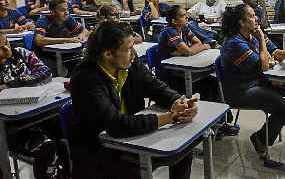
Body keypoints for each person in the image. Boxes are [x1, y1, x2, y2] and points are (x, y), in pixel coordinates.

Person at [70, 21, 198, 179]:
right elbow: (116, 125)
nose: (133, 52)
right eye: (128, 48)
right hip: (102, 150)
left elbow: (154, 86)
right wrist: (170, 117)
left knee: (182, 148)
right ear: (108, 54)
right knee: (133, 172)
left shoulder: (129, 62)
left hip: (132, 138)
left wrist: (178, 102)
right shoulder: (85, 78)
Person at [220, 4, 285, 158]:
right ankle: (260, 138)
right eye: (251, 16)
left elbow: (277, 54)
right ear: (241, 23)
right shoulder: (235, 43)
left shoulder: (255, 33)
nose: (256, 18)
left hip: (259, 82)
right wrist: (262, 41)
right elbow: (264, 65)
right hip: (241, 90)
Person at [35, 0, 89, 75]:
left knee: (82, 68)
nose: (66, 12)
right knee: (52, 72)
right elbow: (39, 40)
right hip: (48, 55)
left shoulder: (68, 19)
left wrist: (80, 37)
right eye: (62, 10)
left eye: (67, 9)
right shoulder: (43, 21)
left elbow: (84, 31)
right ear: (52, 12)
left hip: (66, 54)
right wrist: (67, 40)